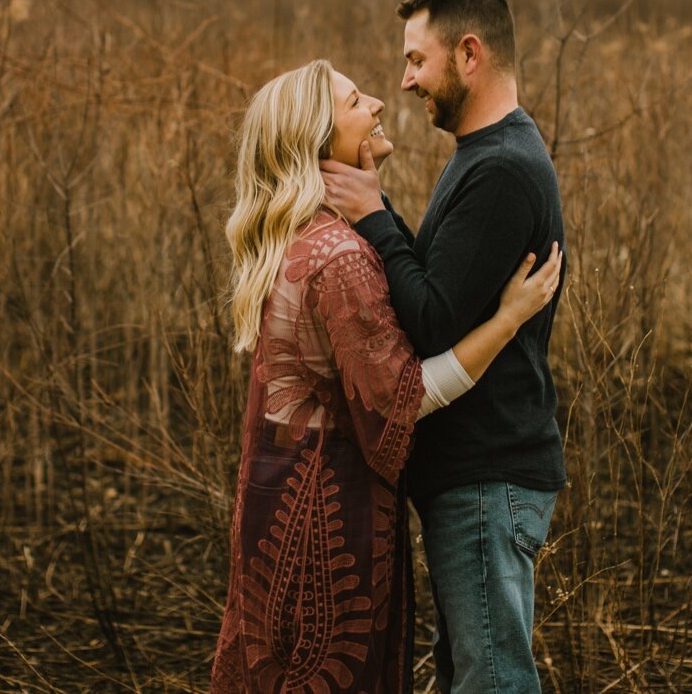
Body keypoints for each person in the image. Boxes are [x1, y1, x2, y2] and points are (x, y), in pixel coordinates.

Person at [210, 59, 562, 694]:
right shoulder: (340, 256)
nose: (377, 101)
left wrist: (375, 208)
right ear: (321, 142)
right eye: (353, 102)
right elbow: (408, 394)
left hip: (279, 508)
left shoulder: (303, 237)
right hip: (327, 524)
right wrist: (508, 319)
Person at [321, 0, 567, 693]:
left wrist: (371, 216)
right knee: (474, 673)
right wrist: (380, 204)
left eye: (416, 61)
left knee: (492, 682)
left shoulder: (501, 171)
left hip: (488, 477)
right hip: (476, 475)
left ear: (469, 54)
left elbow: (428, 322)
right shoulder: (486, 152)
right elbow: (438, 286)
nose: (404, 81)